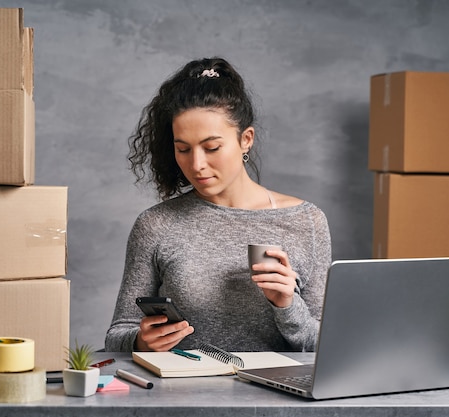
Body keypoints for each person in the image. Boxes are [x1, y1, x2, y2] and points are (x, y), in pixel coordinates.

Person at [105, 57, 331, 353]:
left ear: (245, 140)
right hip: (180, 395)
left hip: (275, 396)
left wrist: (287, 305)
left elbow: (325, 344)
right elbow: (116, 336)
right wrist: (140, 341)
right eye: (183, 149)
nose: (197, 164)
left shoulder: (307, 222)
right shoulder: (156, 224)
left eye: (212, 148)